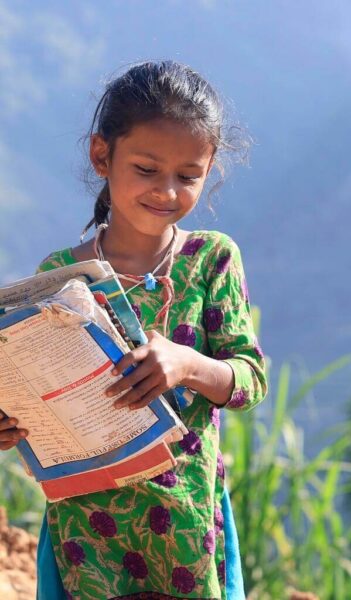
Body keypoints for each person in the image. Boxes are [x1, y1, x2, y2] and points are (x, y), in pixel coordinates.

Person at [0, 60, 267, 599]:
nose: (167, 191)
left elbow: (250, 378)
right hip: (87, 526)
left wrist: (189, 365)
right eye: (147, 169)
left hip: (185, 523)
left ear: (209, 169)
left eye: (188, 176)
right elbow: (31, 385)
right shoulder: (61, 275)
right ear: (103, 155)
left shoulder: (211, 260)